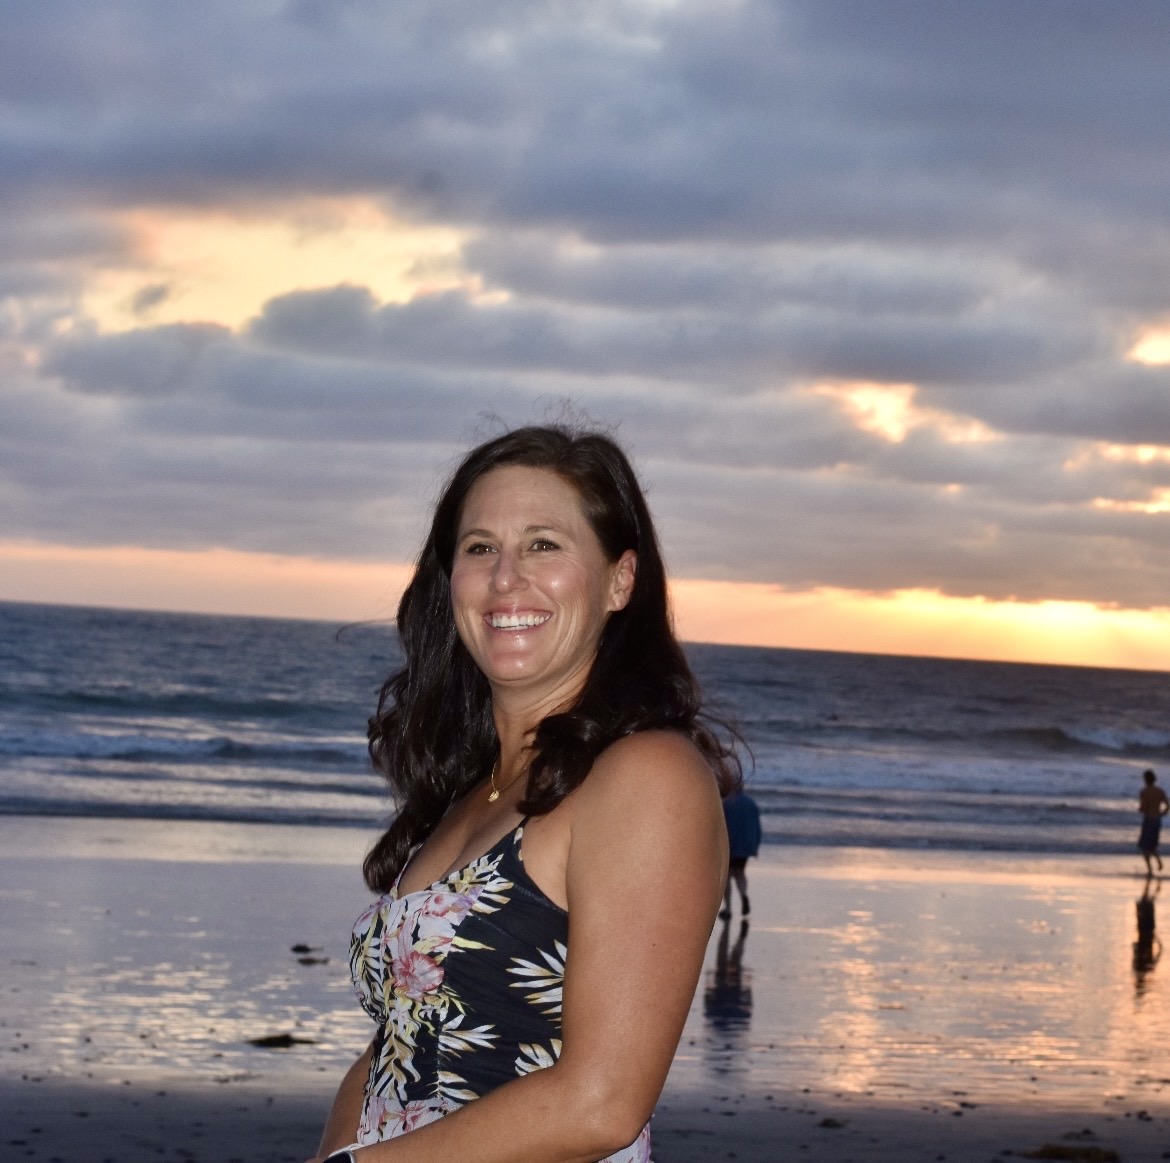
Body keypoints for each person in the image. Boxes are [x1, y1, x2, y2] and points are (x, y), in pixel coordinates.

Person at [311, 425, 738, 1163]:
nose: (506, 577)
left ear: (619, 580)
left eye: (544, 543)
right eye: (480, 547)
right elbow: (396, 1045)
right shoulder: (471, 789)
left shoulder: (645, 777)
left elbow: (601, 1102)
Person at [719, 789, 761, 919]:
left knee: (727, 877)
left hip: (731, 844)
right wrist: (755, 845)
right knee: (740, 873)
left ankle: (728, 909)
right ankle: (743, 895)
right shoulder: (751, 803)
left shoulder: (726, 803)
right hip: (746, 845)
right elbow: (757, 827)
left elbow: (721, 826)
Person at [1138, 768, 1169, 874]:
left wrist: (1141, 809)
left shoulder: (1144, 792)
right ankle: (1158, 862)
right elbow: (1168, 805)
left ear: (1145, 780)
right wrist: (1163, 813)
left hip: (1148, 820)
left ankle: (1150, 868)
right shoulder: (1160, 791)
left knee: (1144, 845)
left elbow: (1143, 808)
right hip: (1157, 820)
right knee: (1152, 845)